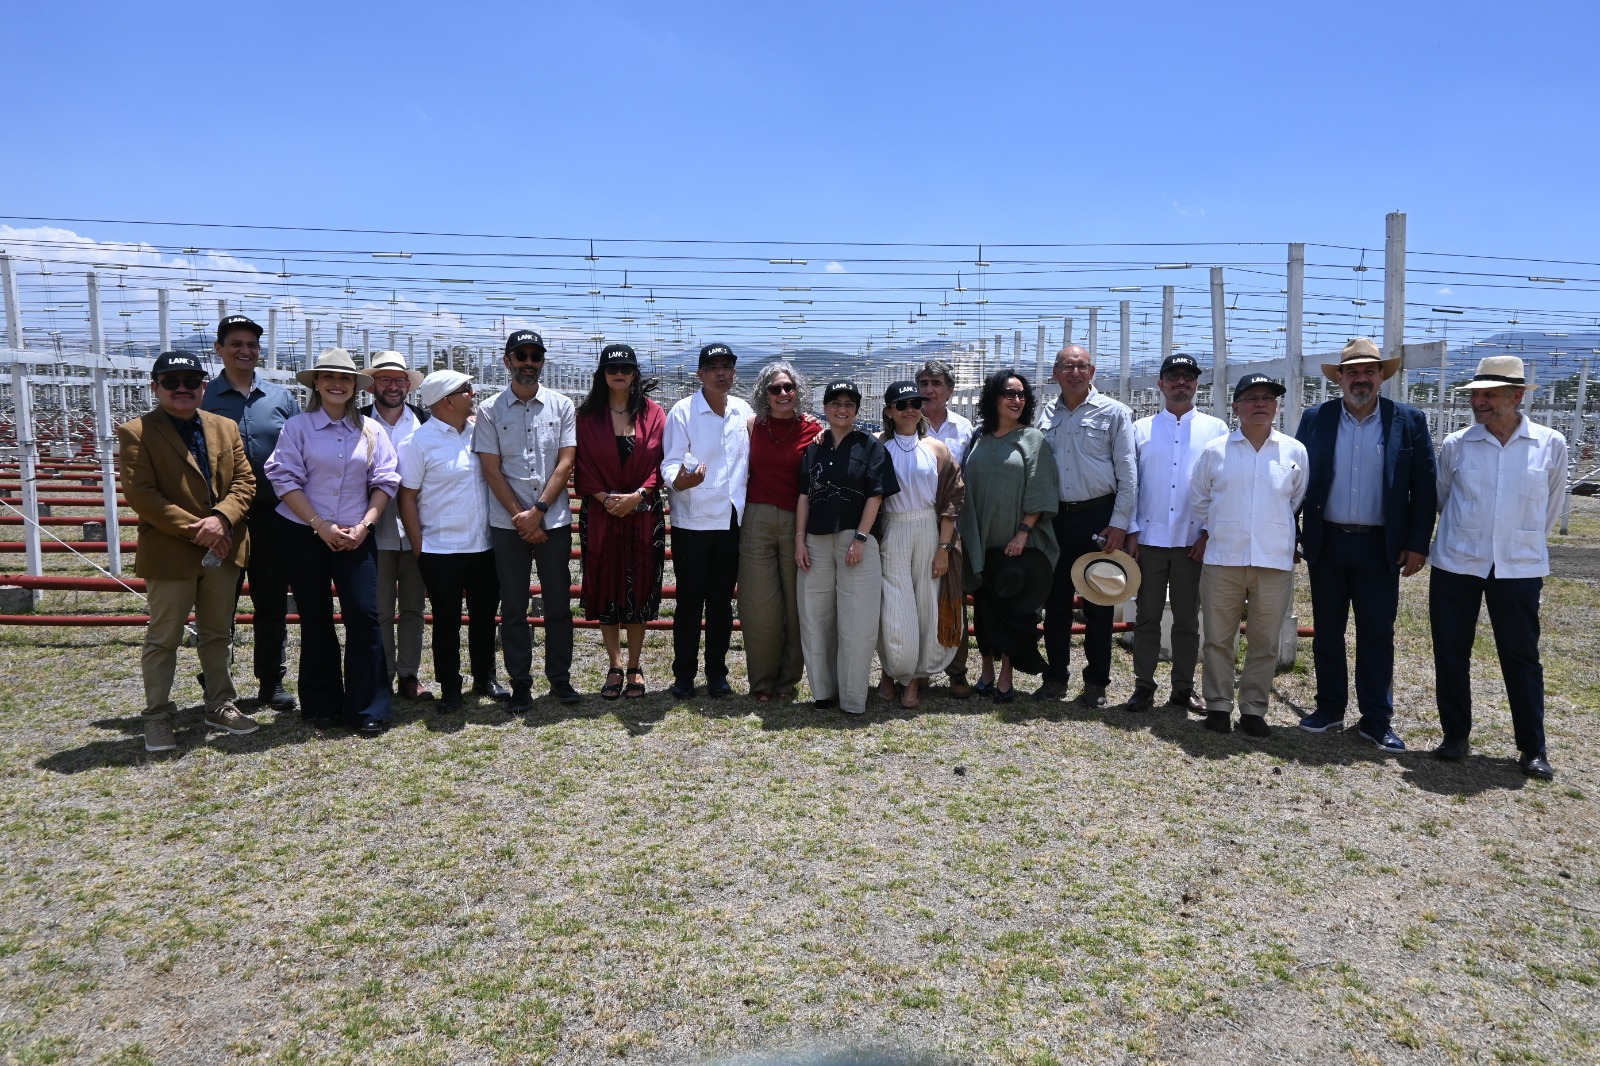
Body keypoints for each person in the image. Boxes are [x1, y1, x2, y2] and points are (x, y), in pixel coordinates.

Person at [1296, 338, 1437, 752]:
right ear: (1339, 378)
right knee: (1327, 630)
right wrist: (1293, 532)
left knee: (1377, 633)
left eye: (1369, 371)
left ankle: (1376, 718)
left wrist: (1417, 543)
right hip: (1329, 540)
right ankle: (1329, 707)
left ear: (1381, 377)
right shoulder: (1316, 418)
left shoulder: (1407, 420)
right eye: (1352, 372)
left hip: (1380, 547)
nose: (1361, 379)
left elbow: (1423, 487)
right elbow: (1297, 478)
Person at [1429, 356, 1567, 780]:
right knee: (1451, 652)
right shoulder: (1457, 444)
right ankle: (1455, 735)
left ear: (1517, 397)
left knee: (1521, 656)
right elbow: (1442, 497)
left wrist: (1518, 541)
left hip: (1518, 567)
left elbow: (1551, 506)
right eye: (1475, 393)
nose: (1479, 401)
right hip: (1457, 561)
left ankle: (1532, 747)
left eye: (1489, 394)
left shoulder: (1549, 444)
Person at [119, 352, 259, 752]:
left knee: (218, 633)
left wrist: (223, 519)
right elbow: (143, 496)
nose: (182, 388)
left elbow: (245, 482)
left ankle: (220, 704)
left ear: (203, 386)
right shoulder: (137, 432)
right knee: (164, 636)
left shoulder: (224, 427)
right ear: (155, 387)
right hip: (172, 550)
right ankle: (158, 715)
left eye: (191, 381)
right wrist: (203, 530)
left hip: (224, 546)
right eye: (171, 381)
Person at [264, 349, 401, 736]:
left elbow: (385, 480)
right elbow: (284, 479)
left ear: (356, 388)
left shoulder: (372, 431)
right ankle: (322, 703)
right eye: (329, 378)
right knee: (316, 615)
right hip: (304, 532)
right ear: (317, 384)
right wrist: (319, 525)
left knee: (364, 614)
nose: (337, 384)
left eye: (345, 379)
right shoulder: (298, 428)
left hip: (357, 534)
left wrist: (364, 525)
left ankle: (367, 706)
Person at [1189, 373, 1308, 738]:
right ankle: (1219, 705)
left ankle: (1254, 708)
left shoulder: (1294, 451)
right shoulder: (1216, 451)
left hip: (1273, 561)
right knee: (1218, 638)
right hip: (1224, 558)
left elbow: (1295, 499)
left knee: (1265, 640)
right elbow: (1200, 500)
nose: (1261, 404)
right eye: (1252, 398)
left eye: (1268, 398)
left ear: (1276, 407)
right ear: (1236, 407)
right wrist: (1226, 527)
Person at [475, 329, 579, 711]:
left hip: (551, 521)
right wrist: (522, 517)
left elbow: (565, 462)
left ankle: (560, 679)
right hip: (509, 525)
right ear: (508, 362)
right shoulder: (488, 410)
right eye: (521, 357)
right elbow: (491, 469)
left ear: (542, 362)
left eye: (535, 357)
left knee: (558, 605)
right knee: (514, 606)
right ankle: (521, 681)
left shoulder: (562, 405)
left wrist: (538, 512)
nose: (529, 364)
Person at [201, 314, 301, 712]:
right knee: (217, 604)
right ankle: (216, 680)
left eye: (252, 345)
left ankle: (270, 681)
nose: (245, 351)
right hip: (222, 516)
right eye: (236, 344)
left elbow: (298, 450)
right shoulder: (204, 399)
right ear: (219, 349)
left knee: (272, 601)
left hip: (274, 513)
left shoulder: (280, 398)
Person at [1123, 354, 1229, 713]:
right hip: (1149, 541)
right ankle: (1143, 684)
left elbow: (1221, 486)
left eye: (1188, 376)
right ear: (1161, 383)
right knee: (1147, 616)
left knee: (1187, 619)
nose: (1180, 382)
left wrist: (1208, 533)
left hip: (1191, 542)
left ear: (1197, 383)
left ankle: (1183, 688)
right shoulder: (1141, 429)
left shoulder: (1216, 430)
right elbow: (1131, 485)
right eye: (1173, 376)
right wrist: (1131, 531)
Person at [1035, 344, 1138, 707]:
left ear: (1092, 372)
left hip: (1098, 516)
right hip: (1056, 518)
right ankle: (1056, 676)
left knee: (1100, 600)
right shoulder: (1046, 414)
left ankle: (1096, 683)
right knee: (1056, 601)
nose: (1074, 373)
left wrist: (1119, 524)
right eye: (1067, 367)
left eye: (1081, 367)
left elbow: (1127, 474)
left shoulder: (1114, 413)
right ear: (1055, 373)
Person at [397, 370, 504, 712]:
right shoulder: (417, 442)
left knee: (485, 616)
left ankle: (485, 677)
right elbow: (407, 498)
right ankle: (450, 686)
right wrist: (419, 547)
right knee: (446, 622)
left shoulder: (480, 433)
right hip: (440, 549)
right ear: (447, 401)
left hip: (483, 545)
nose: (473, 394)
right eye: (466, 390)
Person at [955, 370, 1061, 701]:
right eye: (1008, 393)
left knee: (1014, 610)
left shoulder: (1032, 439)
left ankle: (1005, 675)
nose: (1016, 400)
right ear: (993, 399)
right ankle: (985, 669)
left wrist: (1023, 533)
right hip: (980, 541)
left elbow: (1041, 489)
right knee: (984, 609)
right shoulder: (979, 437)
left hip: (1016, 547)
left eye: (1021, 395)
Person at [795, 380, 898, 715]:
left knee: (858, 621)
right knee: (815, 617)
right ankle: (822, 691)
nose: (842, 409)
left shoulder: (870, 446)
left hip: (857, 540)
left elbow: (876, 495)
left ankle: (853, 698)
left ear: (857, 410)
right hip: (816, 540)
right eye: (835, 403)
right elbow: (803, 496)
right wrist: (799, 539)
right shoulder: (814, 448)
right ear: (825, 407)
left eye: (849, 404)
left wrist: (861, 538)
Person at [574, 344, 667, 700]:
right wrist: (605, 498)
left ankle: (635, 665)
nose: (620, 373)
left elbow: (662, 461)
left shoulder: (654, 413)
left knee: (640, 587)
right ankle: (614, 664)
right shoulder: (585, 417)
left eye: (626, 368)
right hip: (601, 513)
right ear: (602, 373)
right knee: (606, 585)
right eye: (613, 368)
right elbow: (579, 463)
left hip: (643, 513)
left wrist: (638, 496)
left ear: (634, 374)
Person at [661, 343, 752, 700]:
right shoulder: (684, 411)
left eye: (726, 366)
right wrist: (682, 481)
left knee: (720, 604)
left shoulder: (743, 411)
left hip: (731, 519)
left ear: (733, 372)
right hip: (693, 520)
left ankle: (717, 673)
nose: (721, 373)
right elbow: (669, 464)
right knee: (688, 602)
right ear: (699, 374)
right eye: (713, 367)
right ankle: (683, 675)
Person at [874, 381, 964, 710]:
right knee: (893, 608)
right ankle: (890, 671)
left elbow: (953, 500)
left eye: (915, 402)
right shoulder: (877, 446)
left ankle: (912, 681)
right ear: (889, 412)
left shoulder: (937, 449)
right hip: (892, 530)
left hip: (928, 530)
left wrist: (944, 547)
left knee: (927, 605)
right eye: (902, 404)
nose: (910, 408)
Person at [739, 361, 823, 702]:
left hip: (797, 523)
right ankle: (761, 682)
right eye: (775, 389)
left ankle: (788, 680)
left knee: (796, 605)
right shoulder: (750, 426)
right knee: (759, 606)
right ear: (765, 394)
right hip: (755, 520)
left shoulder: (814, 429)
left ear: (798, 391)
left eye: (789, 387)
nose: (783, 393)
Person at [359, 350, 432, 701]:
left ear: (408, 386)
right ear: (372, 385)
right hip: (374, 531)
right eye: (385, 379)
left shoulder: (425, 420)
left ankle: (408, 674)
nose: (392, 386)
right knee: (381, 610)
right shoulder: (355, 421)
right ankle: (383, 674)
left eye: (399, 380)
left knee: (414, 608)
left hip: (417, 531)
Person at [916, 359, 977, 697]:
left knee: (953, 595)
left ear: (950, 391)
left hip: (953, 525)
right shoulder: (908, 424)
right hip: (914, 522)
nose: (929, 390)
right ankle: (921, 667)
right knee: (918, 596)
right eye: (923, 383)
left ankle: (957, 670)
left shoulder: (965, 429)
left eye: (936, 383)